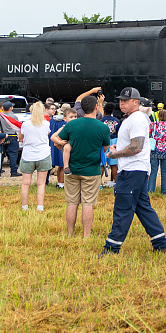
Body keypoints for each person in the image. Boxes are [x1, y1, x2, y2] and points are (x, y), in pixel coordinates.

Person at [101, 87, 166, 256]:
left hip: (132, 171)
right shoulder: (132, 118)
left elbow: (137, 146)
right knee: (143, 208)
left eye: (125, 100)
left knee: (123, 209)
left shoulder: (137, 119)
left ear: (136, 102)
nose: (121, 103)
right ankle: (160, 243)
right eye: (120, 100)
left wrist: (116, 153)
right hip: (135, 170)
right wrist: (118, 148)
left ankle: (112, 249)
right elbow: (132, 144)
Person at [54, 96, 111, 238]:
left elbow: (58, 141)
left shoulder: (71, 125)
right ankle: (86, 236)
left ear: (81, 110)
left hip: (71, 169)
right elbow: (105, 148)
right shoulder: (103, 127)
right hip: (91, 170)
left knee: (72, 203)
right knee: (87, 203)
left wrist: (67, 148)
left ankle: (69, 234)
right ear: (96, 108)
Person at [18, 101, 53, 211]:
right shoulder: (46, 123)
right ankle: (40, 206)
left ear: (31, 111)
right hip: (43, 153)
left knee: (25, 183)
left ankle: (25, 206)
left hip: (28, 154)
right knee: (41, 183)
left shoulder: (25, 124)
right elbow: (47, 134)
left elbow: (20, 138)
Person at [148, 109, 166, 195]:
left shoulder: (153, 124)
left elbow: (149, 133)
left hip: (155, 150)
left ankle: (151, 191)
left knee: (153, 172)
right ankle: (164, 192)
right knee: (165, 173)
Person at [0, 100, 21, 177]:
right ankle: (13, 171)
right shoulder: (14, 116)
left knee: (1, 154)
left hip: (2, 136)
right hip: (12, 136)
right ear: (10, 108)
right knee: (13, 154)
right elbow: (17, 126)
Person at [49, 106, 67, 189]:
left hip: (53, 144)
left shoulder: (52, 120)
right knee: (63, 165)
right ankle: (62, 184)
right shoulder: (65, 122)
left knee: (59, 166)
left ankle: (59, 183)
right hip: (62, 144)